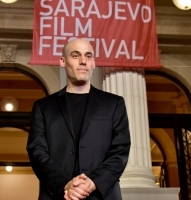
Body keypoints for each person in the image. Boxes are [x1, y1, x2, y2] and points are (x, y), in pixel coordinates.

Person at [27, 38, 131, 200]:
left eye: (88, 56)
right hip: (58, 195)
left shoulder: (114, 103)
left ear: (93, 63)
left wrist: (93, 182)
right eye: (76, 56)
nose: (83, 61)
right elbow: (37, 152)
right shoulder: (44, 107)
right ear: (63, 61)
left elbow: (120, 150)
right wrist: (65, 184)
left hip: (101, 196)